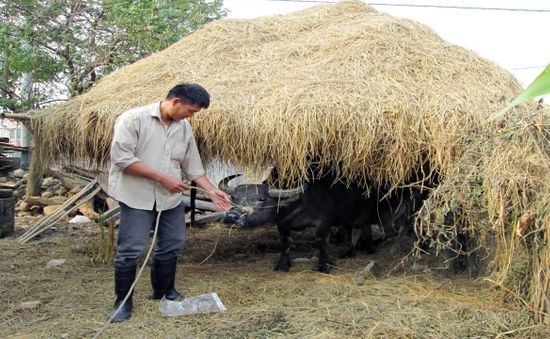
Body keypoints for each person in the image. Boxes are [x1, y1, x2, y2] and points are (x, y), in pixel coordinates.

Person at [107, 83, 232, 322]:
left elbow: (193, 167)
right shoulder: (133, 119)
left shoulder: (183, 128)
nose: (191, 116)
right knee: (130, 249)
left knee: (173, 243)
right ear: (175, 102)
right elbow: (122, 159)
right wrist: (163, 178)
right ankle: (122, 302)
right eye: (191, 111)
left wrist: (213, 192)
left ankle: (164, 290)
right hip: (137, 197)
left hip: (170, 199)